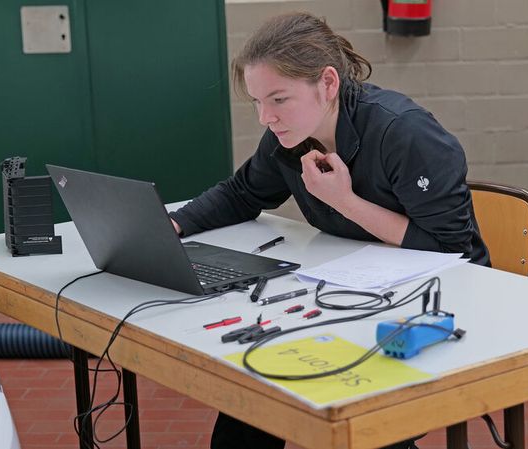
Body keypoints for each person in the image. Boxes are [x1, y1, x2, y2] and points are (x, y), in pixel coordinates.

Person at [169, 11, 490, 449]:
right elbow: (242, 193)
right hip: (351, 291)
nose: (266, 117)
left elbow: (448, 248)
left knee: (365, 416)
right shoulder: (289, 135)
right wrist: (175, 223)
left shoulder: (405, 133)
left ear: (327, 83)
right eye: (258, 102)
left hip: (441, 296)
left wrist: (345, 201)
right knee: (251, 396)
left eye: (278, 99)